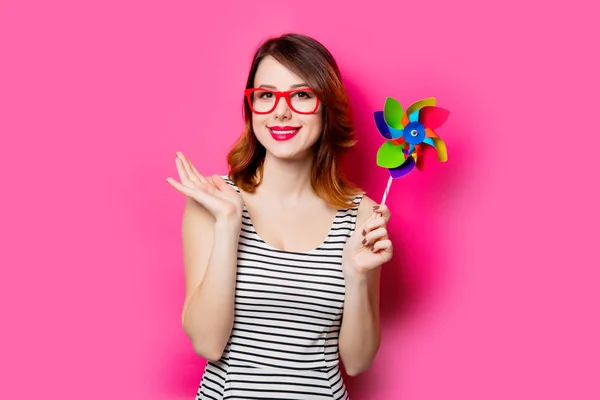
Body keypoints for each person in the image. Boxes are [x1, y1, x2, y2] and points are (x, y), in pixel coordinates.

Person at [166, 33, 393, 400]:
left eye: (301, 95)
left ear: (326, 106)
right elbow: (208, 344)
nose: (280, 111)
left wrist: (356, 275)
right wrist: (228, 226)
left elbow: (357, 361)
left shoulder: (363, 213)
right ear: (251, 106)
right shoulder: (213, 200)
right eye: (266, 95)